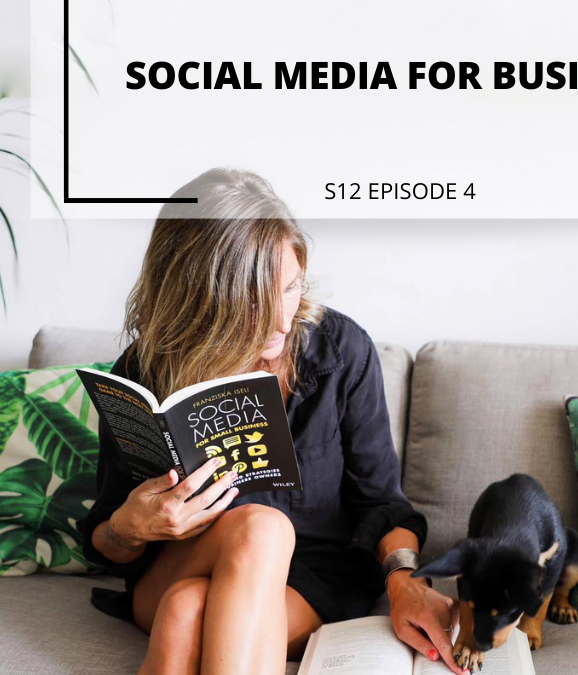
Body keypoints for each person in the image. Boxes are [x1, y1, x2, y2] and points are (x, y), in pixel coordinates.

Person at [77, 168, 464, 675]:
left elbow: (382, 505)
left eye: (290, 289)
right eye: (254, 303)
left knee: (187, 610)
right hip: (179, 563)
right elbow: (107, 543)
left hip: (314, 579)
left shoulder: (341, 352)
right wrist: (130, 526)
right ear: (201, 305)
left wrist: (405, 580)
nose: (282, 322)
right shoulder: (146, 370)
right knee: (261, 528)